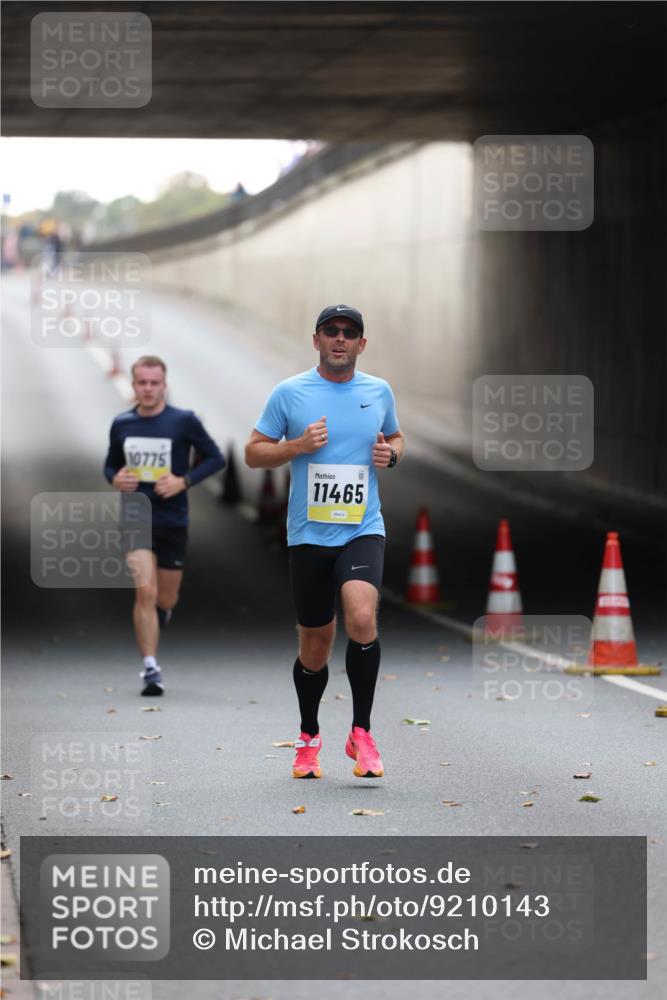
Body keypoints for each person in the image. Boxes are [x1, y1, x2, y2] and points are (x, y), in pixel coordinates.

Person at [246, 305, 404, 779]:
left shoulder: (378, 391)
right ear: (316, 340)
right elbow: (253, 453)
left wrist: (391, 455)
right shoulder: (290, 393)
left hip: (362, 528)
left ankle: (362, 733)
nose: (340, 339)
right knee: (315, 644)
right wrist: (296, 446)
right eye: (331, 331)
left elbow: (396, 437)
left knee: (362, 617)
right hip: (309, 535)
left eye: (349, 333)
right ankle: (309, 736)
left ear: (361, 344)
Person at [104, 356, 225, 695]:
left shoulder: (183, 421)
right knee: (145, 590)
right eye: (142, 382)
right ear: (133, 385)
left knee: (166, 598)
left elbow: (216, 458)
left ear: (164, 385)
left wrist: (183, 481)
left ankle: (159, 617)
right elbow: (110, 465)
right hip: (136, 516)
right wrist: (116, 479)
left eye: (154, 383)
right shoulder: (122, 424)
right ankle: (151, 668)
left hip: (172, 519)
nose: (148, 388)